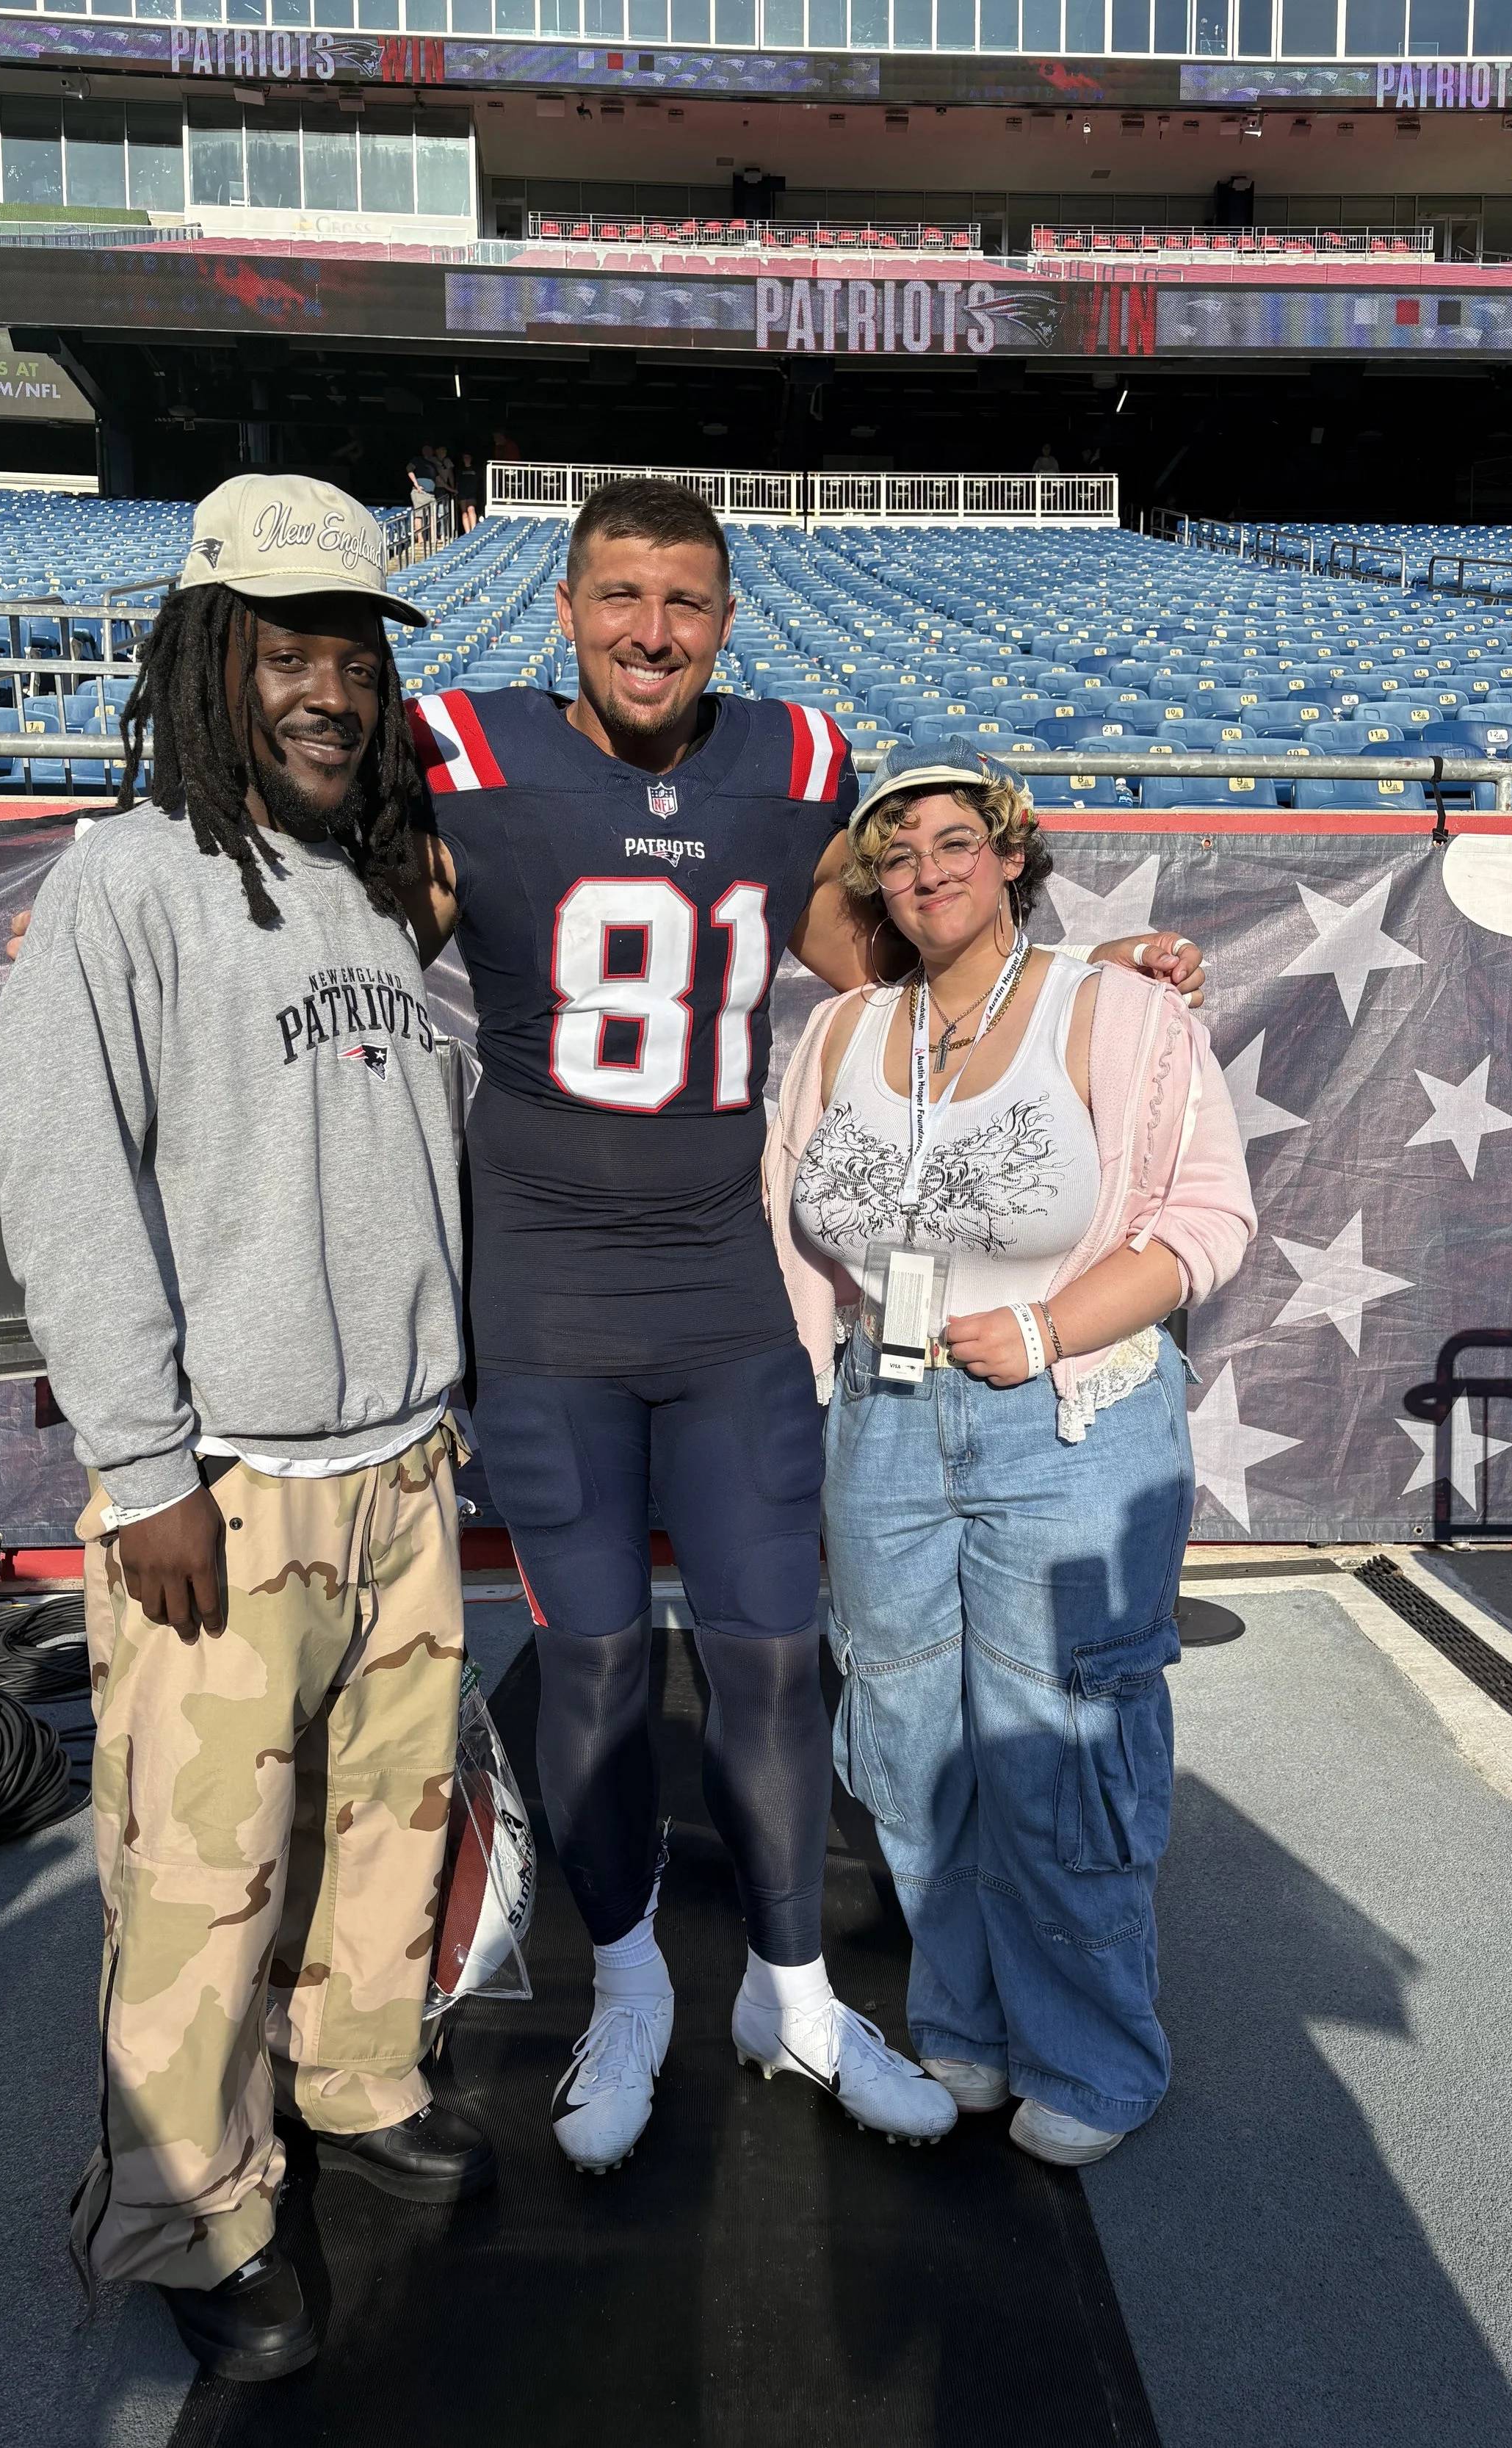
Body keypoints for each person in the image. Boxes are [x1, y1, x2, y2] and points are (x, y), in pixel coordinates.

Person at [395, 477, 1207, 2177]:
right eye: (618, 595)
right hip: (545, 1279)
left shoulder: (792, 759)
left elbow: (883, 961)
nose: (650, 630)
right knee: (601, 1658)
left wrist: (1086, 978)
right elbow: (343, 903)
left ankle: (795, 1989)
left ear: (727, 619)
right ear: (562, 603)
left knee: (776, 1652)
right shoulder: (458, 746)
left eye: (685, 602)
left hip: (716, 1280)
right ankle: (629, 1985)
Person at [0, 476, 492, 2385]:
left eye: (351, 648)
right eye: (289, 645)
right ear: (212, 655)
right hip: (227, 1487)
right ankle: (187, 2204)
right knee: (199, 1875)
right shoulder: (123, 877)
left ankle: (356, 2081)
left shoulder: (373, 874)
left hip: (398, 1464)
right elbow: (59, 1175)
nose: (329, 684)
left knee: (386, 1821)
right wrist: (147, 1464)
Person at [764, 740, 1254, 2170]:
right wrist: (809, 1400)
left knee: (1060, 1736)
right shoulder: (843, 1030)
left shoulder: (1118, 1011)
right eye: (896, 851)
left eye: (951, 839)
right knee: (906, 1738)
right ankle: (963, 2017)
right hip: (879, 1415)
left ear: (1011, 854)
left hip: (1069, 1414)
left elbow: (1204, 1220)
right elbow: (796, 1237)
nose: (924, 867)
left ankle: (1094, 2050)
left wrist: (1045, 1325)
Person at [457, 447, 482, 532]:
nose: (466, 459)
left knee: (471, 509)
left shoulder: (476, 469)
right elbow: (457, 481)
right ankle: (468, 532)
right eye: (465, 457)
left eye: (468, 457)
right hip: (462, 492)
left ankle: (474, 530)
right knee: (464, 513)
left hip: (472, 492)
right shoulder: (460, 470)